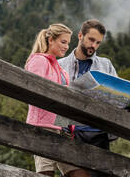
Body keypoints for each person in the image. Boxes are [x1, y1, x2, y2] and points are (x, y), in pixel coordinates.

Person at [57, 19, 130, 176]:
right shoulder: (60, 66)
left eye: (98, 43)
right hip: (70, 133)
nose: (93, 46)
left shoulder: (106, 65)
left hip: (99, 134)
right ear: (80, 35)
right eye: (91, 40)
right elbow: (54, 100)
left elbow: (117, 98)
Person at [25, 24, 90, 177]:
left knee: (78, 173)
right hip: (42, 127)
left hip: (63, 128)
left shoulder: (62, 71)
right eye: (63, 42)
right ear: (51, 40)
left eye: (68, 43)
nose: (67, 47)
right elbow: (33, 90)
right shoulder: (39, 61)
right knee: (46, 173)